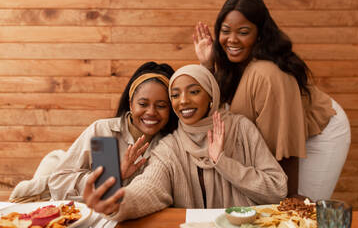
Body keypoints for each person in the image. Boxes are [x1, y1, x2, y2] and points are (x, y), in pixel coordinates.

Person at [193, 0, 351, 201]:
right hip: (283, 131)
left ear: (259, 34)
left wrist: (289, 194)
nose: (232, 39)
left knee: (301, 210)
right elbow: (215, 106)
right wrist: (207, 64)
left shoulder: (267, 74)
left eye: (243, 32)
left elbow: (285, 136)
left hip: (320, 132)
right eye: (225, 31)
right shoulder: (232, 64)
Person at [83, 64, 287, 221]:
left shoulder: (241, 129)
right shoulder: (170, 147)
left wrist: (224, 163)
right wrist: (118, 202)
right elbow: (149, 187)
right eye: (175, 95)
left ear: (210, 95)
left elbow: (277, 190)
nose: (183, 101)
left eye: (194, 91)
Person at [18, 61, 177, 202]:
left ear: (170, 109)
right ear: (130, 104)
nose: (151, 112)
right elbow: (58, 182)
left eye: (161, 106)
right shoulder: (104, 132)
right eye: (143, 104)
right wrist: (114, 176)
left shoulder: (170, 143)